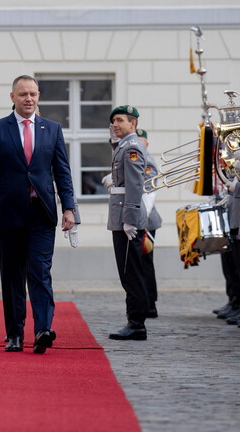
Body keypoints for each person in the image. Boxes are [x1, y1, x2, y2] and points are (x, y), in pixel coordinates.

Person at [0, 75, 76, 354]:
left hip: (42, 212)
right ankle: (15, 334)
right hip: (7, 214)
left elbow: (63, 172)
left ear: (39, 96)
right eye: (23, 94)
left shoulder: (52, 129)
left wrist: (69, 207)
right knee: (12, 275)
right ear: (12, 98)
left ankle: (44, 329)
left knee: (40, 271)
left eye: (33, 94)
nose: (29, 99)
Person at [106, 105, 150, 341]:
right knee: (128, 272)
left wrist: (130, 220)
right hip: (121, 215)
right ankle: (134, 321)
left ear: (133, 124)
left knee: (131, 273)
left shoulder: (132, 147)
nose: (115, 124)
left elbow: (134, 185)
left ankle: (137, 324)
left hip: (127, 217)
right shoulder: (123, 145)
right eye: (113, 120)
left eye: (120, 120)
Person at [136, 128, 162, 318]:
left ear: (146, 144)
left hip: (146, 218)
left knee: (145, 262)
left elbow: (148, 187)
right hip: (135, 217)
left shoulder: (147, 159)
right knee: (138, 264)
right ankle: (143, 301)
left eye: (141, 142)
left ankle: (150, 303)